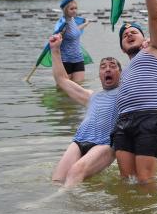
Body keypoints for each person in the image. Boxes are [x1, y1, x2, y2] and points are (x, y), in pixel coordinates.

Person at [111, 0, 157, 186]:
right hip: (124, 123)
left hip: (151, 117)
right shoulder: (125, 70)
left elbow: (155, 17)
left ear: (146, 38)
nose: (128, 33)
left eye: (134, 31)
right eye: (124, 35)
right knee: (127, 180)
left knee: (145, 180)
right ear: (122, 48)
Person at [48, 33, 122, 188]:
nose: (107, 69)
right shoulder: (90, 95)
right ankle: (59, 200)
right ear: (99, 75)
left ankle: (51, 203)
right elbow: (62, 80)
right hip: (80, 141)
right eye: (103, 67)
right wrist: (55, 50)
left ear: (121, 74)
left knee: (75, 172)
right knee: (57, 179)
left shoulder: (125, 93)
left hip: (106, 144)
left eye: (112, 66)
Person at [57, 0, 90, 83]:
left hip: (78, 59)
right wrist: (59, 34)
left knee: (79, 86)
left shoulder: (73, 20)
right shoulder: (62, 24)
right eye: (71, 9)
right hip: (65, 61)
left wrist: (85, 24)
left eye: (76, 8)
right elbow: (57, 37)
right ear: (65, 10)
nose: (74, 10)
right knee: (63, 89)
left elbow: (75, 30)